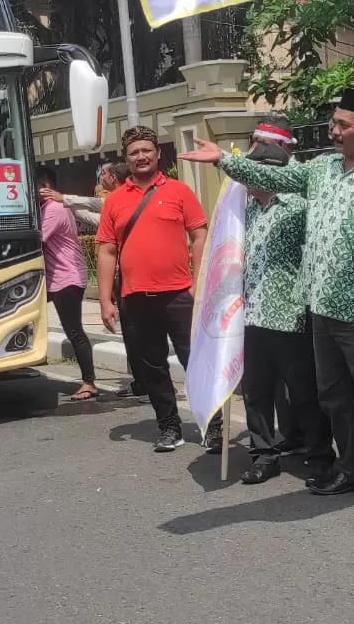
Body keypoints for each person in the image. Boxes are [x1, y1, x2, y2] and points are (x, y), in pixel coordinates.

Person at [180, 88, 354, 512]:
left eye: (343, 124)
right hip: (319, 309)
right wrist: (225, 160)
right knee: (334, 398)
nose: (333, 130)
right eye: (334, 122)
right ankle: (352, 469)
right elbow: (276, 177)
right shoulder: (322, 169)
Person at [95, 126, 221, 452]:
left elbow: (199, 235)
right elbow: (107, 250)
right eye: (134, 152)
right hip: (135, 298)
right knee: (151, 367)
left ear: (157, 153)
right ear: (126, 159)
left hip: (181, 294)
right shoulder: (114, 202)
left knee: (196, 361)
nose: (141, 156)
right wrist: (106, 299)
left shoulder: (180, 192)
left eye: (146, 150)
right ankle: (169, 427)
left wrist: (200, 279)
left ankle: (213, 426)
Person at [238, 117, 332, 483]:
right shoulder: (246, 211)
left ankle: (321, 455)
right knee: (256, 393)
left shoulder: (297, 207)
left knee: (304, 393)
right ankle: (264, 453)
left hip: (291, 315)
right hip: (253, 316)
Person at [38, 167, 98, 402]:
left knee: (74, 331)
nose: (36, 191)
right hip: (59, 279)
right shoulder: (50, 208)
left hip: (67, 278)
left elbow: (38, 239)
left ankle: (89, 382)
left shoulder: (53, 209)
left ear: (49, 187)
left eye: (40, 186)